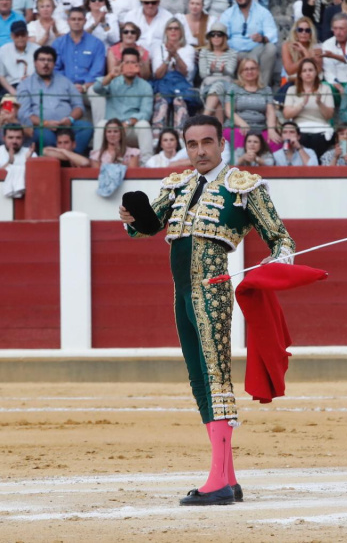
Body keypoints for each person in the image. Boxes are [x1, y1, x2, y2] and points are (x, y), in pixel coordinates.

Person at [119, 114, 295, 506]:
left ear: (221, 144)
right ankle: (227, 478)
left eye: (207, 143)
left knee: (216, 378)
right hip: (181, 294)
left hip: (213, 292)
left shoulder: (243, 186)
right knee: (199, 379)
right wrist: (134, 218)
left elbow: (281, 239)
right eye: (192, 143)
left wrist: (275, 263)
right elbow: (151, 226)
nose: (200, 151)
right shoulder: (178, 184)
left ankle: (218, 482)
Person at [17, 45, 93, 154]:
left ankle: (71, 157)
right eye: (42, 60)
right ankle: (66, 159)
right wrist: (45, 123)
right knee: (46, 136)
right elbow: (23, 114)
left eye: (49, 60)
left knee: (86, 127)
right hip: (42, 127)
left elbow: (79, 106)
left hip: (66, 126)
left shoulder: (65, 81)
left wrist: (70, 119)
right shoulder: (25, 85)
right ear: (35, 63)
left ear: (54, 63)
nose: (46, 63)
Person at [92, 47, 153, 163]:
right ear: (121, 64)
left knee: (144, 125)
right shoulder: (113, 81)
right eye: (127, 62)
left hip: (130, 129)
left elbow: (146, 112)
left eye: (133, 62)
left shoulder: (145, 86)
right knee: (101, 124)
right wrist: (110, 75)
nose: (130, 66)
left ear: (138, 65)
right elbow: (96, 89)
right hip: (112, 129)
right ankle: (97, 161)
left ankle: (147, 164)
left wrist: (128, 122)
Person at [52, 7, 106, 127]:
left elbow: (97, 71)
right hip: (65, 88)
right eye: (73, 19)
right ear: (68, 21)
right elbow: (56, 69)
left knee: (97, 94)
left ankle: (100, 133)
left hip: (87, 88)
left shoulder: (96, 43)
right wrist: (70, 86)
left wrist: (83, 86)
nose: (76, 22)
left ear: (85, 21)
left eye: (79, 19)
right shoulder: (58, 43)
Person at [151, 17, 196, 136]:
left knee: (179, 102)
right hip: (163, 88)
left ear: (181, 31)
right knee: (162, 103)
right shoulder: (158, 49)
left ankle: (182, 139)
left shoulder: (188, 49)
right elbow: (157, 74)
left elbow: (186, 72)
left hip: (182, 89)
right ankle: (157, 140)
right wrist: (168, 58)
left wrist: (175, 55)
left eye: (176, 28)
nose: (173, 31)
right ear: (166, 31)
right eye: (170, 28)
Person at [224, 58, 281, 151]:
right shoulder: (234, 88)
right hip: (238, 127)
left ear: (258, 71)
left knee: (276, 142)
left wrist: (271, 129)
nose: (249, 71)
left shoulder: (266, 89)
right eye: (246, 69)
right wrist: (242, 124)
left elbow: (270, 112)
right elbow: (228, 110)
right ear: (241, 72)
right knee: (241, 144)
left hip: (260, 128)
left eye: (252, 68)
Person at [283, 57, 335, 160]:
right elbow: (287, 114)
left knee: (317, 139)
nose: (308, 73)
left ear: (316, 73)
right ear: (300, 74)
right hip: (300, 127)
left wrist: (319, 103)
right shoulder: (292, 90)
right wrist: (302, 104)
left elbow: (329, 115)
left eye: (310, 70)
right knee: (303, 137)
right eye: (304, 71)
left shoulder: (325, 88)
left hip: (320, 127)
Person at [220, 0, 278, 87]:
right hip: (235, 52)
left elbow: (272, 34)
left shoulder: (263, 12)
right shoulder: (228, 14)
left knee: (271, 48)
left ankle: (262, 88)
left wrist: (263, 38)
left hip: (256, 49)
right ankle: (234, 89)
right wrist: (231, 52)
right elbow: (221, 36)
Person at [199, 21, 238, 122]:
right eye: (213, 35)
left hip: (226, 84)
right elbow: (202, 74)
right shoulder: (204, 52)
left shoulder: (232, 53)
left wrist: (223, 70)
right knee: (218, 100)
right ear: (210, 38)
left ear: (224, 37)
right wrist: (211, 70)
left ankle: (203, 119)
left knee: (219, 86)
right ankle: (220, 134)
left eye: (219, 35)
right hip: (208, 85)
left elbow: (230, 72)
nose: (216, 37)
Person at [0, 21, 39, 97]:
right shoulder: (3, 50)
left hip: (34, 87)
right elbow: (0, 75)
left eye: (23, 34)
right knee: (7, 107)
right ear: (12, 36)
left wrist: (32, 79)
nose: (20, 37)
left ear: (27, 35)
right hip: (10, 87)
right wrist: (12, 91)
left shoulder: (37, 50)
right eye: (17, 35)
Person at [0, 123, 36, 198]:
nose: (14, 141)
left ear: (23, 139)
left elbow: (36, 178)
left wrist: (28, 161)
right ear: (4, 138)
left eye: (18, 138)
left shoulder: (30, 153)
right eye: (10, 137)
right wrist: (10, 162)